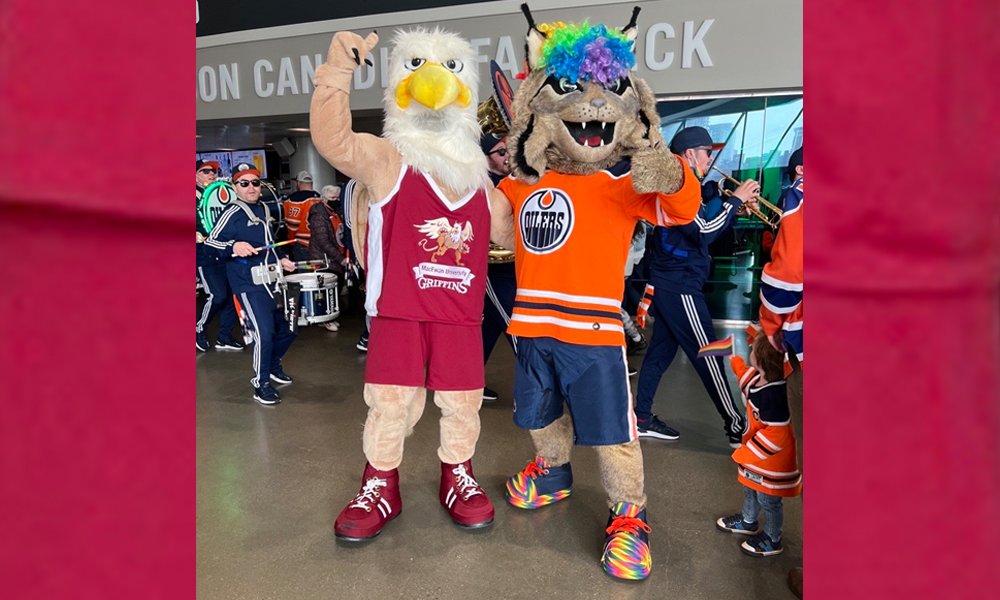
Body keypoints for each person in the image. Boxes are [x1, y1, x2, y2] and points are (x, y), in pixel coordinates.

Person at [632, 126, 758, 446]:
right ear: (690, 154)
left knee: (659, 355)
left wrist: (732, 210)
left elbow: (702, 227)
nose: (710, 159)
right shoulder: (678, 183)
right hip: (680, 285)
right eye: (707, 152)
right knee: (709, 356)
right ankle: (736, 424)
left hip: (672, 281)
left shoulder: (684, 181)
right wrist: (734, 203)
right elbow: (702, 231)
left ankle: (641, 418)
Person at [204, 163, 298, 405]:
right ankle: (261, 383)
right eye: (243, 183)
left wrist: (283, 259)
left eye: (255, 182)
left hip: (273, 280)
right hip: (248, 284)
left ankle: (273, 364)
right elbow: (210, 244)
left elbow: (270, 242)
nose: (251, 187)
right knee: (264, 334)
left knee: (290, 328)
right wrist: (232, 246)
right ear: (235, 187)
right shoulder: (231, 213)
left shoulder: (265, 209)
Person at [715, 330, 800, 557]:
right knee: (750, 488)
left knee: (769, 499)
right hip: (756, 460)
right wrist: (734, 359)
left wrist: (746, 453)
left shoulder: (775, 395)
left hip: (771, 462)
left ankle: (773, 539)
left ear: (760, 359)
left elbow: (778, 433)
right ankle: (748, 520)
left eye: (752, 349)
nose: (749, 349)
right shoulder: (760, 377)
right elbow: (746, 380)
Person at [480, 132, 517, 401]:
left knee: (488, 329)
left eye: (507, 151)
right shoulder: (480, 186)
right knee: (518, 329)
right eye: (500, 152)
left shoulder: (511, 181)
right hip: (492, 271)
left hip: (513, 266)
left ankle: (465, 386)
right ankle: (536, 395)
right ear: (485, 159)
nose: (506, 157)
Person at [195, 159, 243, 352]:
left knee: (233, 294)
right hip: (204, 254)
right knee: (217, 295)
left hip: (224, 251)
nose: (212, 174)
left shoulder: (222, 195)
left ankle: (224, 336)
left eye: (214, 171)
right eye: (206, 171)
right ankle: (198, 329)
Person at [309, 184, 350, 332]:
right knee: (327, 290)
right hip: (323, 258)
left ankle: (330, 316)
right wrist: (340, 258)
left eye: (337, 198)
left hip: (334, 256)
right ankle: (326, 318)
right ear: (324, 199)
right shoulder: (319, 214)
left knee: (336, 288)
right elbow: (323, 241)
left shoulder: (335, 211)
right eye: (333, 198)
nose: (336, 200)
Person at [283, 170, 322, 262]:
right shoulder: (320, 198)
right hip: (320, 244)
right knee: (320, 273)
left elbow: (292, 224)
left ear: (298, 183)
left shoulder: (294, 199)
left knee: (305, 275)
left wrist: (292, 242)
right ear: (311, 183)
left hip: (303, 244)